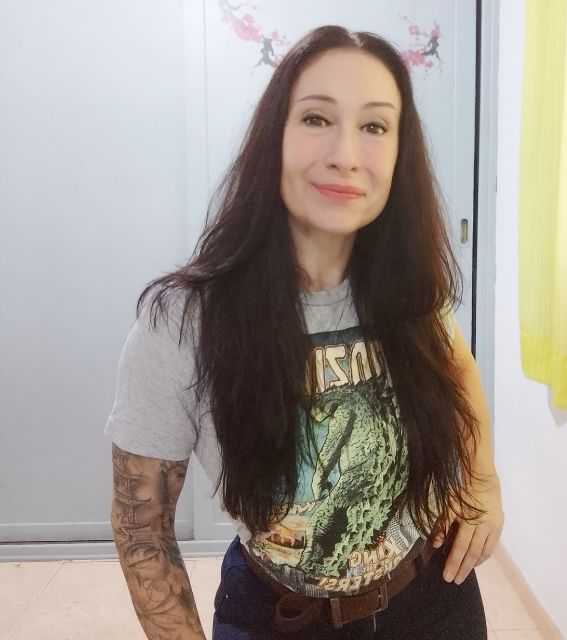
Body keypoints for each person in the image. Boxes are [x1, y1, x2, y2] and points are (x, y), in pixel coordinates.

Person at [106, 24, 504, 640]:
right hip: (276, 614)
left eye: (375, 126)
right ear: (276, 136)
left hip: (433, 599)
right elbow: (142, 529)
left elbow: (456, 359)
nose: (346, 153)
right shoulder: (183, 320)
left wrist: (483, 481)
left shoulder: (406, 289)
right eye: (317, 118)